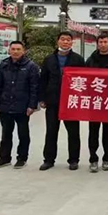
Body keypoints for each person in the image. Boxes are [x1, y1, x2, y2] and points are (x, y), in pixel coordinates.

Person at [39, 32, 85, 171]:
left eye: (68, 40)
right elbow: (43, 79)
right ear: (58, 41)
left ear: (72, 42)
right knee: (51, 131)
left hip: (71, 101)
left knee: (73, 132)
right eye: (63, 39)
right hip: (53, 100)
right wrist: (42, 98)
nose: (65, 42)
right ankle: (49, 160)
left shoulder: (78, 59)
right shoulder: (49, 59)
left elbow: (84, 80)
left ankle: (73, 160)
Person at [0, 41, 39, 169]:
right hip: (5, 105)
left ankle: (22, 158)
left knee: (23, 134)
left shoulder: (31, 66)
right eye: (13, 49)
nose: (15, 51)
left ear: (24, 51)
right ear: (9, 50)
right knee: (6, 134)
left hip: (22, 107)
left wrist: (32, 105)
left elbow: (34, 88)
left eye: (18, 49)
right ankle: (4, 158)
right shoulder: (4, 65)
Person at [85, 33, 108, 173]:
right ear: (97, 44)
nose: (103, 44)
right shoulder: (90, 60)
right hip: (95, 101)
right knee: (93, 132)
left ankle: (107, 158)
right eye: (100, 42)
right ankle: (93, 159)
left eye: (105, 42)